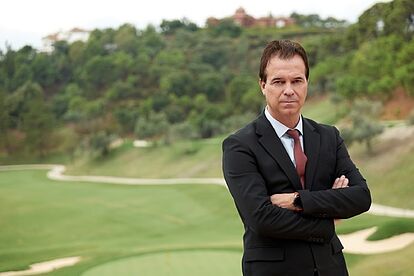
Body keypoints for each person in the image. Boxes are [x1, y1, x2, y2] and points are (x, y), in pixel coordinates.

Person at [222, 40, 371, 276]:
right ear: (263, 85)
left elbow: (361, 197)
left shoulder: (329, 136)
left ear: (307, 84)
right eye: (279, 82)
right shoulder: (239, 145)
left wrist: (298, 201)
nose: (289, 90)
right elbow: (261, 218)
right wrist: (328, 217)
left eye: (297, 81)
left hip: (330, 268)